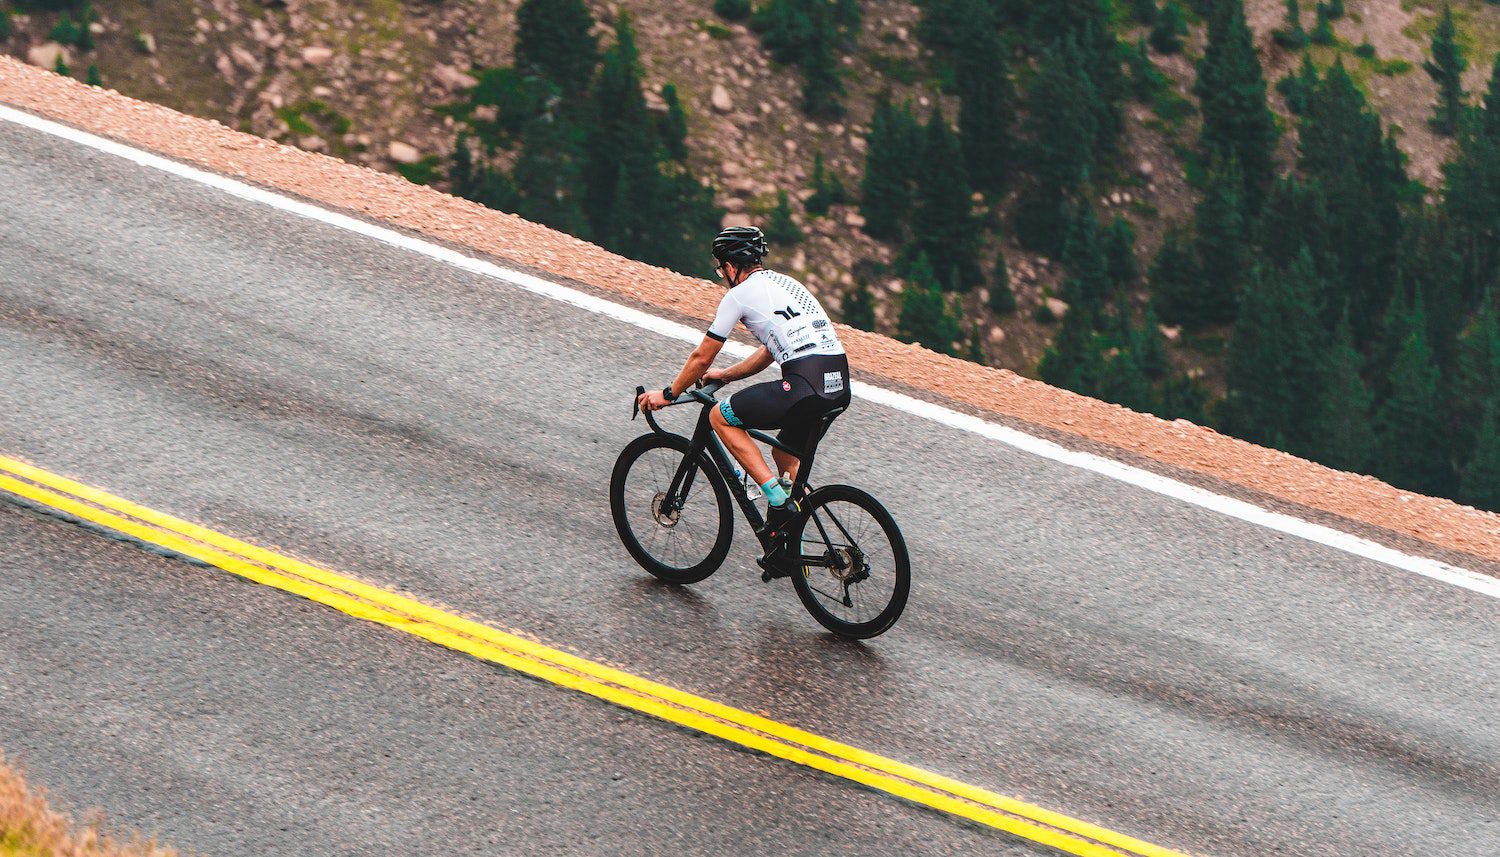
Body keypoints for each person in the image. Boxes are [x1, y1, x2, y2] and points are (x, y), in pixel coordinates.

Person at [636, 226, 851, 551]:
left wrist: (667, 395)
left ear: (732, 266)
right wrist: (727, 375)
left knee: (719, 418)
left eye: (721, 268)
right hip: (836, 383)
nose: (723, 275)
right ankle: (801, 546)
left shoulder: (738, 294)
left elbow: (701, 357)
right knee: (783, 455)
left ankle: (777, 501)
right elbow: (771, 349)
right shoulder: (786, 284)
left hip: (806, 385)